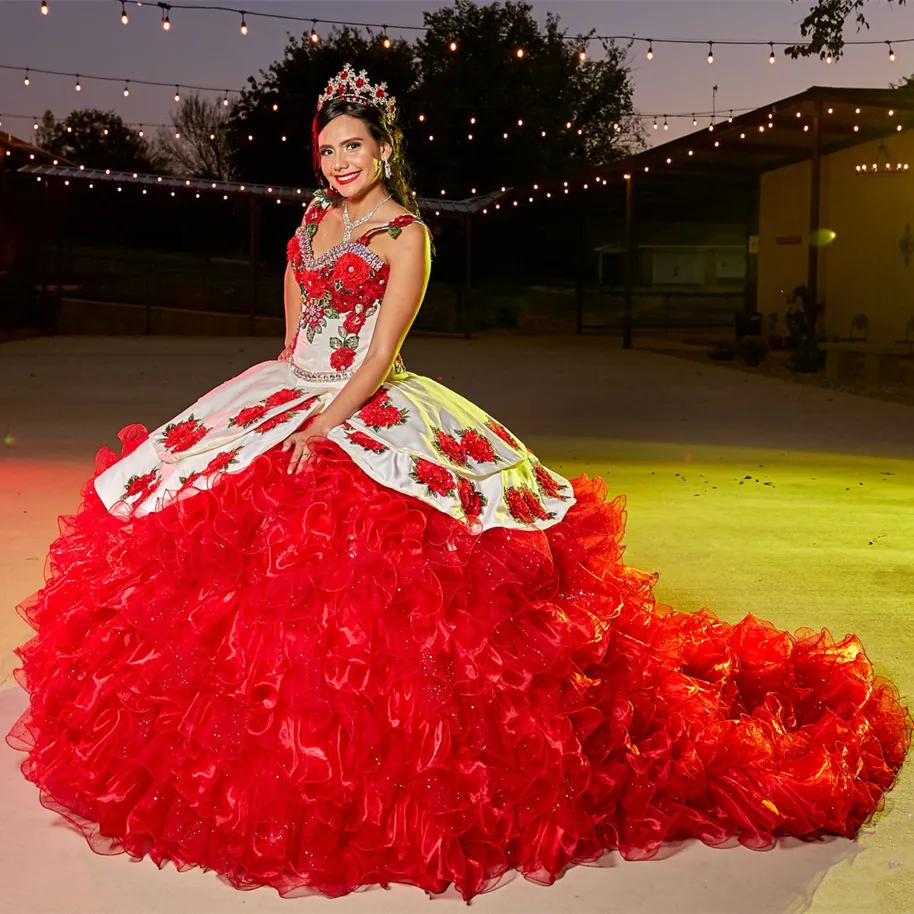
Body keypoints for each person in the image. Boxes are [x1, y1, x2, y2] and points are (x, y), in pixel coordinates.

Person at [6, 63, 911, 902]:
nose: (338, 161)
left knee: (407, 568)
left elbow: (383, 351)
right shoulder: (308, 226)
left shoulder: (409, 234)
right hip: (295, 389)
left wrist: (325, 424)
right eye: (326, 148)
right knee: (196, 522)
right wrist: (278, 408)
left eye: (352, 145)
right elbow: (293, 343)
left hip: (365, 396)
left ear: (384, 148)